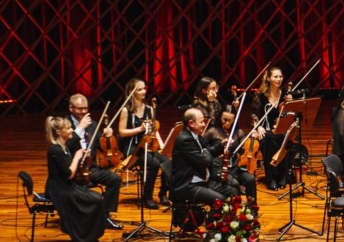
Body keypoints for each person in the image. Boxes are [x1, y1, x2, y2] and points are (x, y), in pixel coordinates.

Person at [44, 115, 110, 242]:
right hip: (59, 189)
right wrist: (76, 157)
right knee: (95, 200)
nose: (71, 130)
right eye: (68, 128)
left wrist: (83, 156)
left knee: (97, 198)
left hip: (66, 185)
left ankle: (90, 235)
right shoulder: (55, 150)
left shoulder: (64, 147)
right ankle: (82, 237)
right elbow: (68, 174)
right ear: (59, 132)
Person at [65, 94, 122, 227]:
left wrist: (107, 137)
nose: (84, 111)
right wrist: (79, 128)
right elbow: (67, 145)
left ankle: (105, 216)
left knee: (115, 179)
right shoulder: (65, 124)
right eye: (80, 109)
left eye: (86, 108)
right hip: (73, 168)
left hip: (90, 167)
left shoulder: (92, 124)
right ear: (71, 108)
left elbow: (99, 145)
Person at [115, 78, 171, 209]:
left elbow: (154, 129)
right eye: (140, 89)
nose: (144, 91)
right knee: (154, 163)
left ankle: (163, 193)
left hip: (149, 146)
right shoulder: (126, 110)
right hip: (133, 148)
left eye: (144, 88)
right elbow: (122, 132)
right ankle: (147, 197)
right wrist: (139, 129)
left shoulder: (149, 109)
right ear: (132, 92)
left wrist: (162, 144)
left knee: (167, 161)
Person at [171, 107, 237, 206]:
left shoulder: (196, 135)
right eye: (201, 122)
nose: (204, 124)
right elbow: (204, 161)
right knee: (220, 200)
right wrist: (206, 151)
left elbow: (208, 153)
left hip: (201, 180)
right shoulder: (185, 140)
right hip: (189, 185)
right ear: (191, 123)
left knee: (232, 192)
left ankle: (227, 216)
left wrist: (221, 144)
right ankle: (214, 217)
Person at [252, 65, 295, 191]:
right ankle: (270, 178)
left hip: (281, 128)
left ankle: (282, 176)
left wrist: (291, 103)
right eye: (275, 77)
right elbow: (254, 114)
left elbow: (291, 114)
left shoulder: (286, 94)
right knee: (268, 139)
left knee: (285, 138)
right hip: (265, 129)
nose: (279, 79)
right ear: (269, 78)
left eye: (280, 76)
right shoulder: (260, 95)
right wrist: (258, 127)